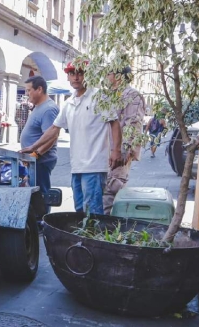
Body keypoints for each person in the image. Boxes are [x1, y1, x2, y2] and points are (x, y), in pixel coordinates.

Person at [20, 61, 123, 215]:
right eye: (72, 74)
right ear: (68, 77)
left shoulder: (100, 96)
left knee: (92, 210)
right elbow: (54, 128)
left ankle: (91, 238)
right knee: (80, 209)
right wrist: (32, 147)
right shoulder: (69, 103)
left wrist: (116, 150)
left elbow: (114, 123)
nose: (76, 77)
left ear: (87, 75)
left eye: (80, 73)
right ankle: (83, 237)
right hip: (76, 166)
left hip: (94, 165)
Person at [102, 66, 146, 214]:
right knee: (106, 192)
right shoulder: (110, 95)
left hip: (119, 153)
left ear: (118, 76)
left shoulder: (132, 95)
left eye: (109, 73)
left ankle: (118, 225)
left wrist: (125, 150)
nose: (107, 77)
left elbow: (134, 124)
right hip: (107, 151)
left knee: (112, 190)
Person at [19, 76, 60, 202]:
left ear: (39, 89)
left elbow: (52, 136)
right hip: (34, 160)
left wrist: (36, 153)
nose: (26, 94)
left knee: (41, 195)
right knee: (34, 195)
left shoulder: (48, 109)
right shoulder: (38, 106)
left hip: (41, 160)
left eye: (29, 90)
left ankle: (41, 221)